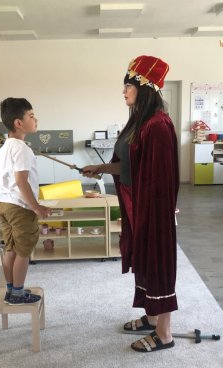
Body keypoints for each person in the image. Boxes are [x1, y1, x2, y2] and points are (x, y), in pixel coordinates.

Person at [82, 55, 179, 352]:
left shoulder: (158, 125)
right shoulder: (139, 121)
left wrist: (158, 214)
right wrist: (100, 168)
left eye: (128, 86)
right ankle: (151, 318)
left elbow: (161, 179)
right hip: (137, 206)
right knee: (144, 261)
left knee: (157, 263)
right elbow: (130, 165)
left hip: (153, 210)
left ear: (144, 88)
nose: (123, 91)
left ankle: (164, 334)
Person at [0, 97, 51, 305]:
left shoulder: (5, 147)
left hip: (3, 203)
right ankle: (18, 294)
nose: (36, 119)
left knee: (10, 249)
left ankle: (11, 290)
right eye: (31, 116)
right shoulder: (22, 148)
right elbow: (21, 181)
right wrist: (36, 207)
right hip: (19, 207)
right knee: (23, 253)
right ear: (19, 123)